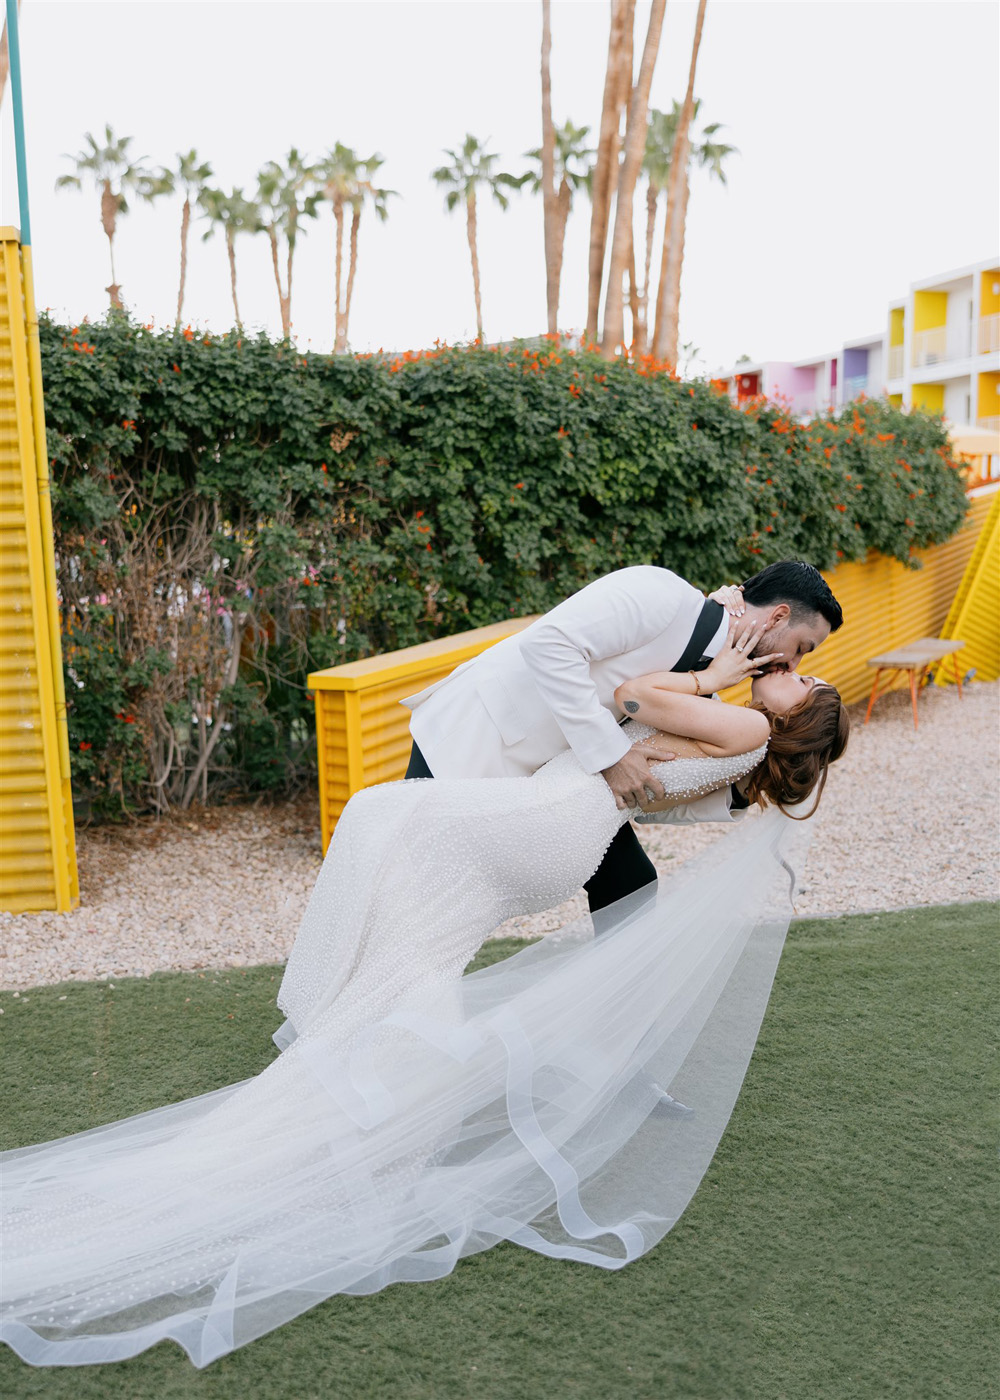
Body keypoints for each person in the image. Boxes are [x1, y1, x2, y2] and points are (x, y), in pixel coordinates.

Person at [1, 611, 849, 1370]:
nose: (795, 666)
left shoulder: (741, 718)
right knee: (416, 954)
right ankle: (385, 1123)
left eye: (805, 676)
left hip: (554, 823)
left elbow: (632, 692)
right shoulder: (743, 738)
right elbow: (637, 721)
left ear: (793, 715)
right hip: (559, 832)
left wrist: (712, 674)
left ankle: (370, 1084)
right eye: (803, 657)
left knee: (383, 815)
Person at [402, 559, 844, 926]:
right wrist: (612, 757)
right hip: (475, 737)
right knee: (417, 896)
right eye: (801, 647)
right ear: (779, 616)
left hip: (559, 778)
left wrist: (739, 792)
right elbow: (548, 644)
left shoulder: (709, 692)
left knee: (630, 885)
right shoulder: (660, 594)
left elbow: (653, 784)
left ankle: (612, 1020)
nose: (793, 663)